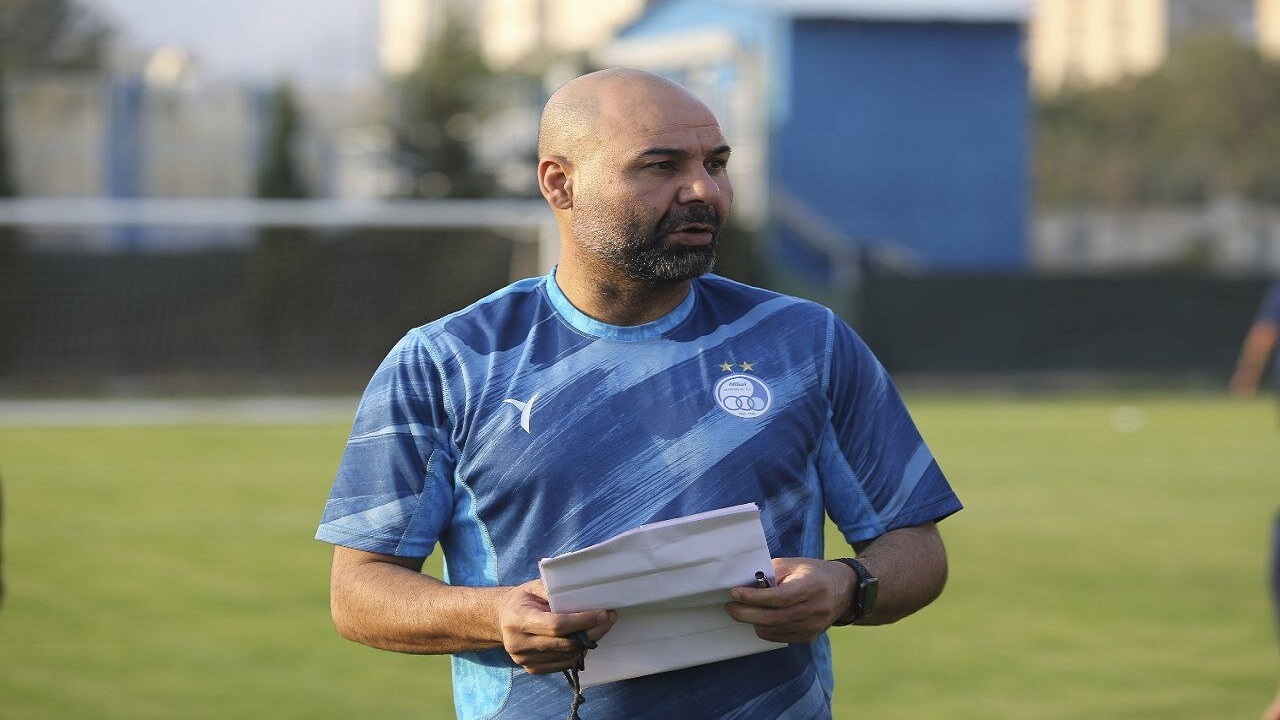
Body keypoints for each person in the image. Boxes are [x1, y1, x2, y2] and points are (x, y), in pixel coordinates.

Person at [316, 67, 961, 719]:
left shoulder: (806, 341)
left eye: (716, 163)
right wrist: (496, 615)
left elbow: (914, 545)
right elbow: (360, 592)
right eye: (661, 166)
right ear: (560, 183)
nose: (703, 189)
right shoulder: (446, 360)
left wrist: (849, 586)